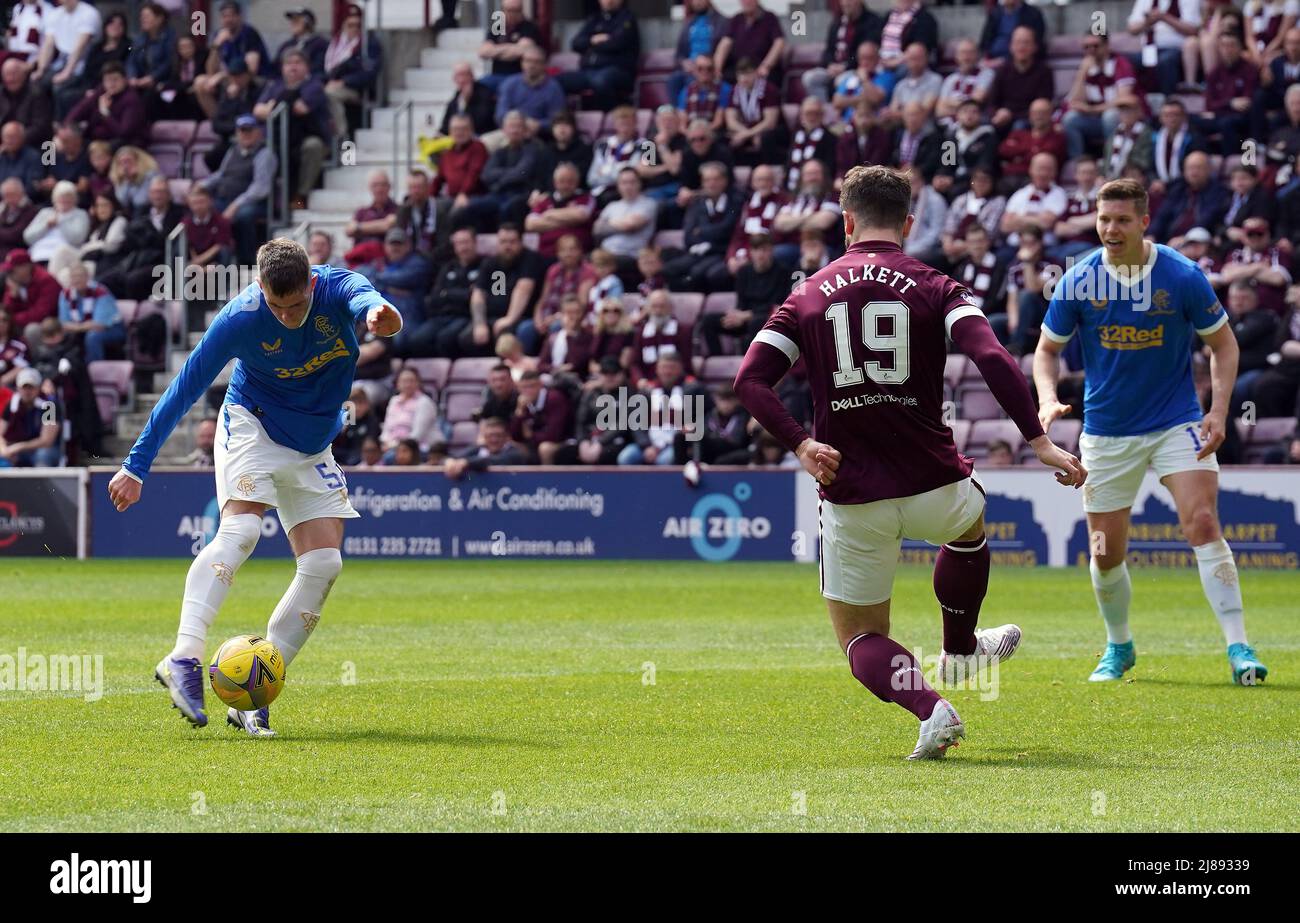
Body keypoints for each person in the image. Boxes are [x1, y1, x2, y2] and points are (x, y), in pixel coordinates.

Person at [733, 164, 1084, 760]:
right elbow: (993, 355)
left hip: (851, 490)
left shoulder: (808, 292)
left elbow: (749, 381)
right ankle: (961, 647)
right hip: (934, 482)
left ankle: (933, 708)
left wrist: (799, 443)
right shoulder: (934, 283)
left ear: (846, 223)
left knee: (862, 637)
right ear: (910, 223)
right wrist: (1037, 439)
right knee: (968, 529)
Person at [106, 239, 403, 736]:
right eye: (276, 306)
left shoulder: (336, 289)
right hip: (254, 425)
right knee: (241, 531)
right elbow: (186, 386)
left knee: (325, 563)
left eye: (297, 306)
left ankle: (253, 697)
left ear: (311, 285)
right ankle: (183, 657)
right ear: (260, 290)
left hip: (312, 446)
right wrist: (136, 465)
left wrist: (380, 315)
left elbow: (371, 302)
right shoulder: (240, 317)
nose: (287, 317)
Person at [1033, 177, 1268, 686]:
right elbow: (1046, 351)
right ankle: (1119, 646)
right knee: (1104, 550)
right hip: (1107, 431)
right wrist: (1048, 399)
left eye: (1121, 220)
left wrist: (1218, 411)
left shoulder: (1182, 276)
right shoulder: (1078, 281)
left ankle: (1239, 647)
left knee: (1202, 522)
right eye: (1103, 219)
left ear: (1143, 221)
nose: (1110, 229)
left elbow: (1224, 346)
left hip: (1175, 422)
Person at [557, 0, 641, 111]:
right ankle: (564, 121)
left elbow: (617, 43)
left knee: (601, 81)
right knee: (557, 81)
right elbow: (575, 44)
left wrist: (591, 45)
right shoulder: (594, 19)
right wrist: (593, 40)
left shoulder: (627, 18)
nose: (609, 1)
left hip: (619, 71)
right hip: (588, 71)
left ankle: (607, 118)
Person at [0, 365, 60, 466]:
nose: (27, 391)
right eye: (24, 387)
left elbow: (46, 440)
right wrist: (4, 450)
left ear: (38, 388)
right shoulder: (11, 404)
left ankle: (42, 482)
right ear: (18, 388)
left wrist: (19, 447)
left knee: (43, 455)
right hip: (14, 449)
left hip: (40, 449)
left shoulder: (49, 406)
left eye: (31, 387)